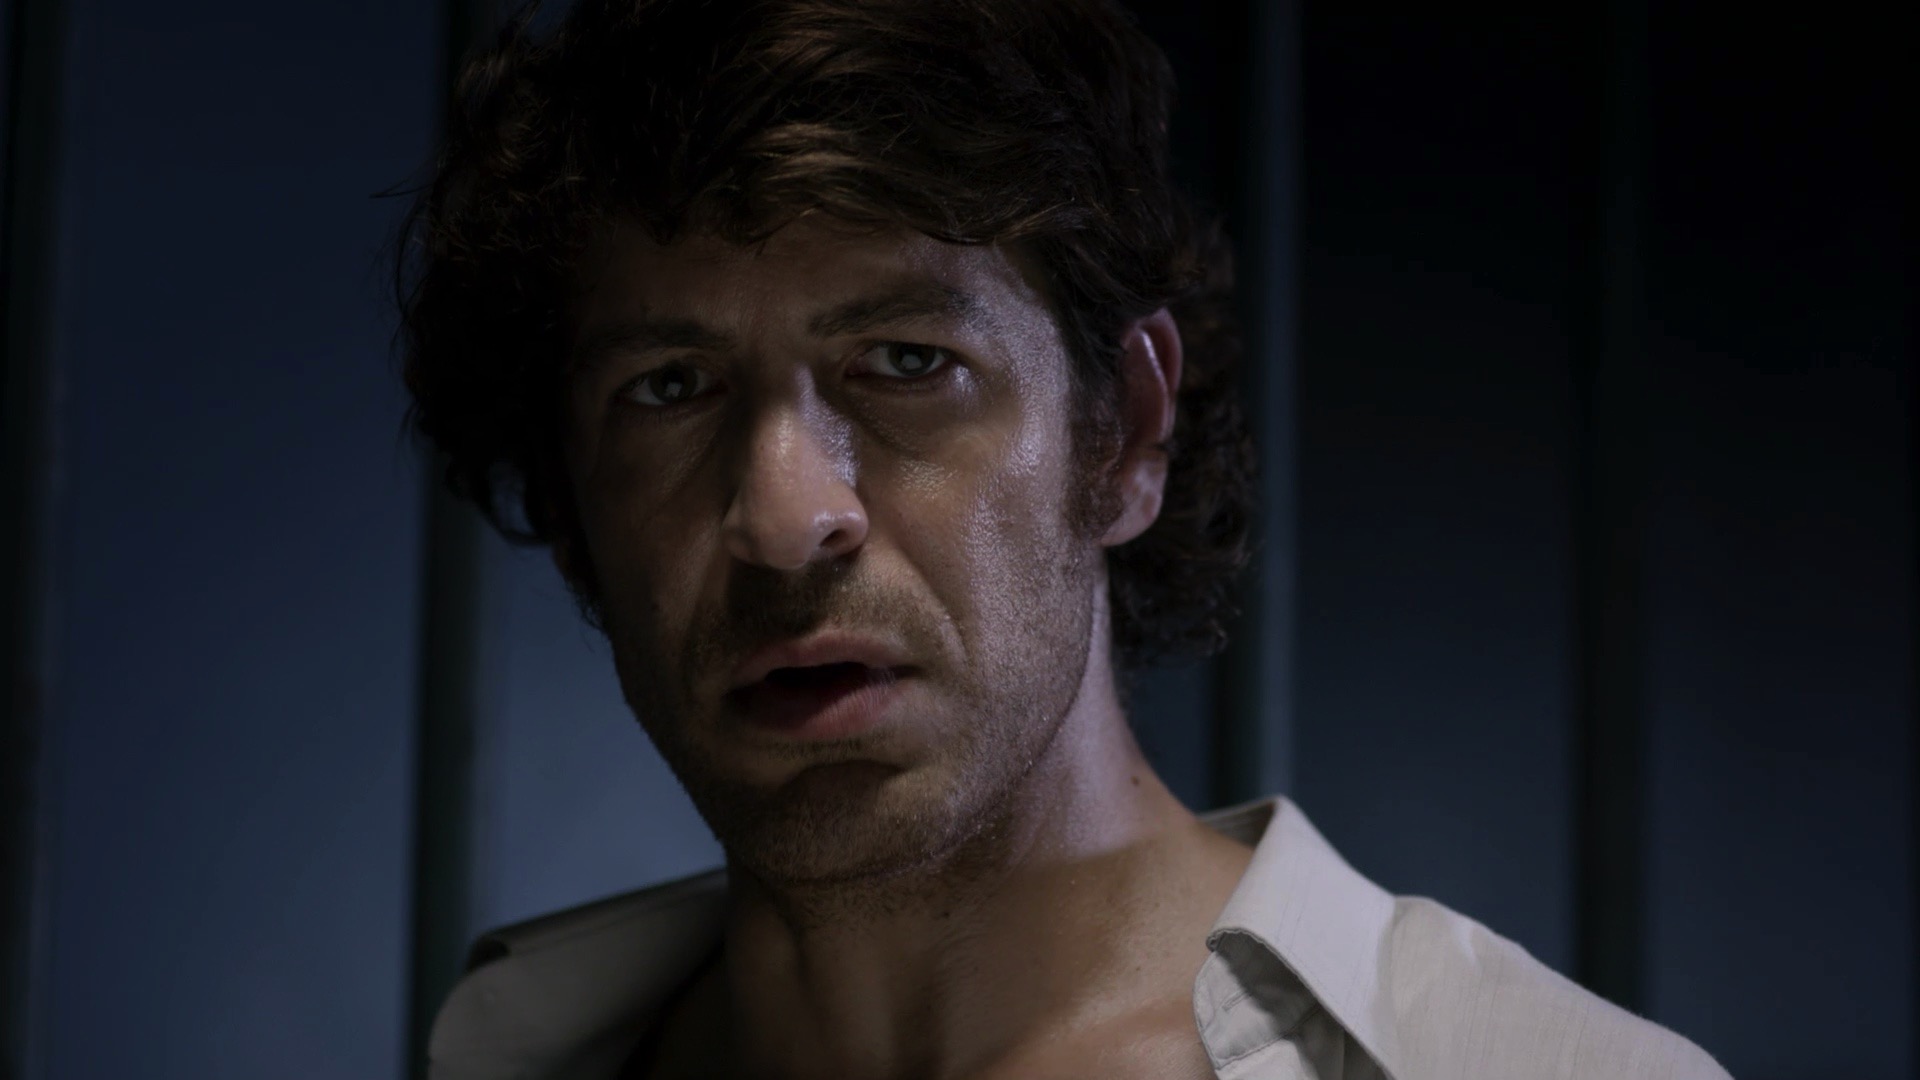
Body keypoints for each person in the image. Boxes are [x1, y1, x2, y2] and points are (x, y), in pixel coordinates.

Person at [399, 1, 1732, 1077]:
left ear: (1124, 434)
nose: (786, 518)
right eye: (669, 388)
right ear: (570, 514)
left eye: (906, 360)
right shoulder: (512, 1051)